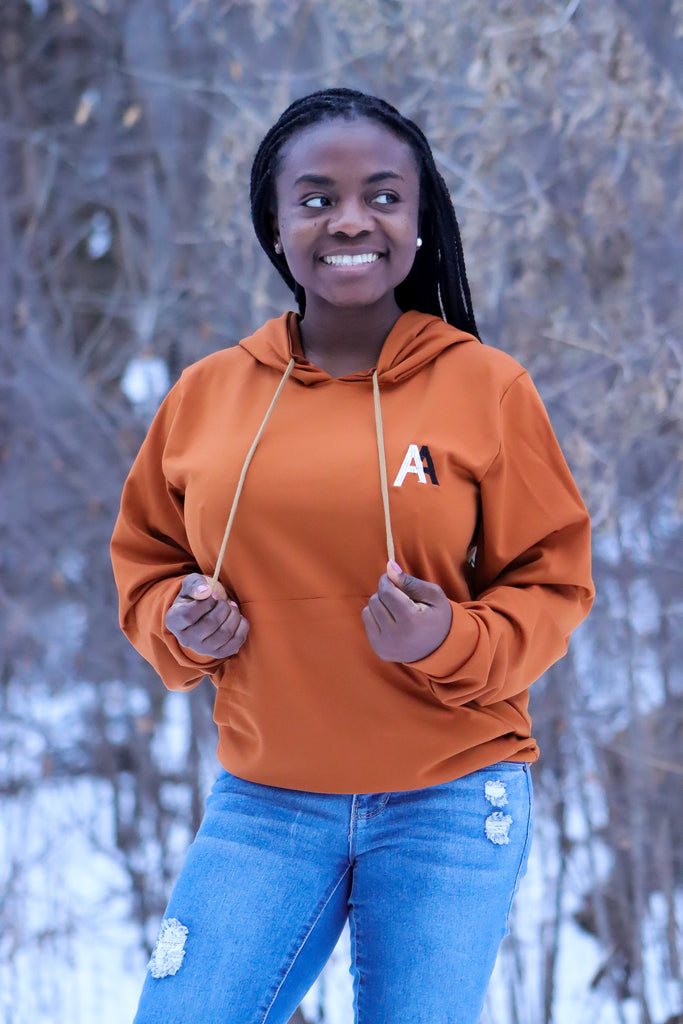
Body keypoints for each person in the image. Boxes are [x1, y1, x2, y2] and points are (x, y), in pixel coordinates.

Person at [111, 87, 594, 1024]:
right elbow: (145, 560)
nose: (349, 221)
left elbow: (553, 581)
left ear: (418, 224)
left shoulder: (485, 389)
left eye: (381, 196)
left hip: (448, 801)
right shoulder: (206, 395)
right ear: (275, 223)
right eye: (315, 198)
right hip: (266, 804)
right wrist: (180, 624)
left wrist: (447, 638)